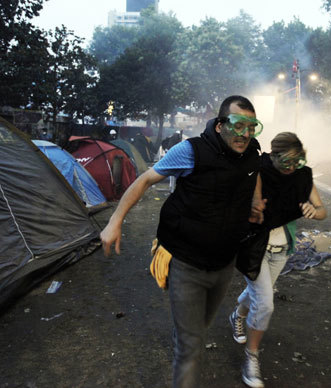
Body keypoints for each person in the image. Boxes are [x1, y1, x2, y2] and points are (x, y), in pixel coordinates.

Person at [100, 96, 265, 388]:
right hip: (186, 263)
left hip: (224, 264)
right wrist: (114, 221)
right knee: (191, 348)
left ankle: (185, 332)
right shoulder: (191, 151)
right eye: (239, 126)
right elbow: (145, 180)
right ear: (220, 125)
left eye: (252, 127)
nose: (246, 134)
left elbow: (254, 173)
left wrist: (255, 201)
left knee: (199, 328)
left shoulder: (252, 152)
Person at [229, 132, 327, 388]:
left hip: (282, 249)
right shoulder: (257, 171)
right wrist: (252, 206)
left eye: (298, 162)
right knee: (265, 304)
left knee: (259, 295)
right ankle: (251, 358)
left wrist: (313, 211)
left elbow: (322, 210)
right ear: (273, 156)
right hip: (255, 247)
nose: (292, 168)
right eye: (286, 162)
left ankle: (237, 315)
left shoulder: (303, 176)